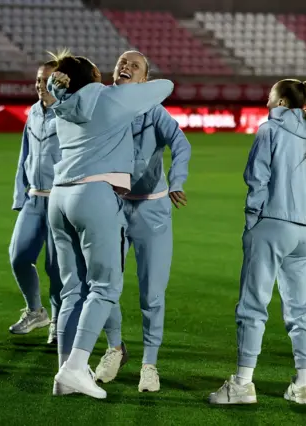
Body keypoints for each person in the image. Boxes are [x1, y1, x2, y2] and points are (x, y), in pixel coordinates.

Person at [45, 49, 174, 399]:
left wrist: (61, 88)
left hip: (58, 197)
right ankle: (75, 369)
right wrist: (124, 87)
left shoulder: (61, 105)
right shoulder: (112, 99)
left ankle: (65, 370)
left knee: (73, 289)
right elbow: (166, 86)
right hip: (94, 196)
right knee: (105, 288)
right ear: (95, 80)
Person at [208, 79, 306, 405]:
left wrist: (252, 223)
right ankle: (303, 386)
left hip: (272, 225)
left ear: (279, 102)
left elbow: (257, 180)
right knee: (300, 309)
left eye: (269, 97)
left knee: (252, 306)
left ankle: (242, 385)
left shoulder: (270, 131)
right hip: (304, 231)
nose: (266, 101)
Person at [94, 51, 191, 392]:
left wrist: (177, 180)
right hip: (112, 207)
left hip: (152, 211)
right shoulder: (101, 106)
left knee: (152, 294)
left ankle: (149, 364)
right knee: (105, 286)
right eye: (122, 62)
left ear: (145, 82)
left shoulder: (155, 112)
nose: (126, 67)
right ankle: (115, 348)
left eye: (134, 65)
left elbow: (181, 144)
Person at [8, 60, 63, 344]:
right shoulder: (33, 111)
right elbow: (24, 154)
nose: (40, 85)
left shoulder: (68, 114)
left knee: (56, 268)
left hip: (60, 200)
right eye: (38, 80)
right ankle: (35, 311)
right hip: (33, 197)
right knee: (18, 257)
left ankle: (58, 322)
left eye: (46, 80)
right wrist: (20, 195)